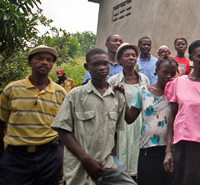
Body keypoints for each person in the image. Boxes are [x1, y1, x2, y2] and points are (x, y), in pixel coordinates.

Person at [51, 48, 136, 185]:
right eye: (96, 64)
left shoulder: (117, 96)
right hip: (80, 166)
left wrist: (113, 157)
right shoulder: (76, 95)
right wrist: (85, 159)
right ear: (87, 67)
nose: (101, 67)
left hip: (107, 165)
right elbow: (62, 130)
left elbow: (115, 131)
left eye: (105, 63)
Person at [0, 45, 66, 185]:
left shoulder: (60, 93)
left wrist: (61, 160)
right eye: (39, 58)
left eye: (49, 60)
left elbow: (64, 130)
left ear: (52, 65)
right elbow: (1, 123)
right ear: (30, 63)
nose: (44, 62)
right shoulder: (12, 89)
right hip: (16, 157)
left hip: (49, 156)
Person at [164, 40, 200, 185]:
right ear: (191, 57)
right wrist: (168, 150)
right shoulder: (179, 83)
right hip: (183, 146)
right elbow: (172, 117)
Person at [124, 56, 178, 185]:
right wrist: (123, 99)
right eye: (165, 72)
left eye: (172, 73)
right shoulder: (143, 92)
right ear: (156, 71)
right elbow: (130, 118)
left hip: (171, 149)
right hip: (148, 149)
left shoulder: (176, 93)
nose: (168, 76)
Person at [108, 43, 150, 180]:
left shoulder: (144, 80)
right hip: (122, 125)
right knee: (123, 156)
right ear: (120, 60)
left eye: (133, 55)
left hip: (140, 123)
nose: (131, 58)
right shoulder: (113, 81)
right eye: (127, 55)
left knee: (138, 159)